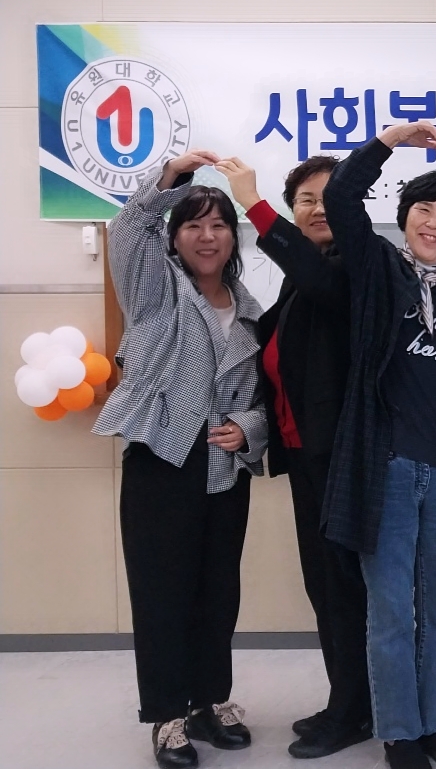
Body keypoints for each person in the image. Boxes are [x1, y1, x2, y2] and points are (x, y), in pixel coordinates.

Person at [93, 149, 268, 769]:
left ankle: (209, 701)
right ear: (174, 236)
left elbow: (261, 399)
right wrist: (173, 176)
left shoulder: (250, 311)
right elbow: (127, 227)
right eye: (193, 224)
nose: (207, 235)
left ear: (233, 238)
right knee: (162, 593)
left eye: (219, 224)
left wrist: (247, 430)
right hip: (162, 459)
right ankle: (167, 716)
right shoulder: (153, 288)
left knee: (218, 592)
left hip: (225, 469)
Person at [321, 121, 436, 769]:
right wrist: (388, 140)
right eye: (424, 209)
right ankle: (399, 730)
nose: (434, 223)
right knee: (390, 610)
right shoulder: (378, 273)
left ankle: (432, 721)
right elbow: (339, 198)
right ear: (405, 214)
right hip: (385, 468)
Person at [217, 156, 374, 760]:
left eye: (330, 199)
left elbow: (320, 283)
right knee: (325, 588)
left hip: (342, 459)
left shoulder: (355, 265)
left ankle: (357, 711)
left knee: (344, 589)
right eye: (305, 200)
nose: (316, 209)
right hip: (308, 457)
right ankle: (348, 701)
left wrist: (253, 204)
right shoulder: (299, 278)